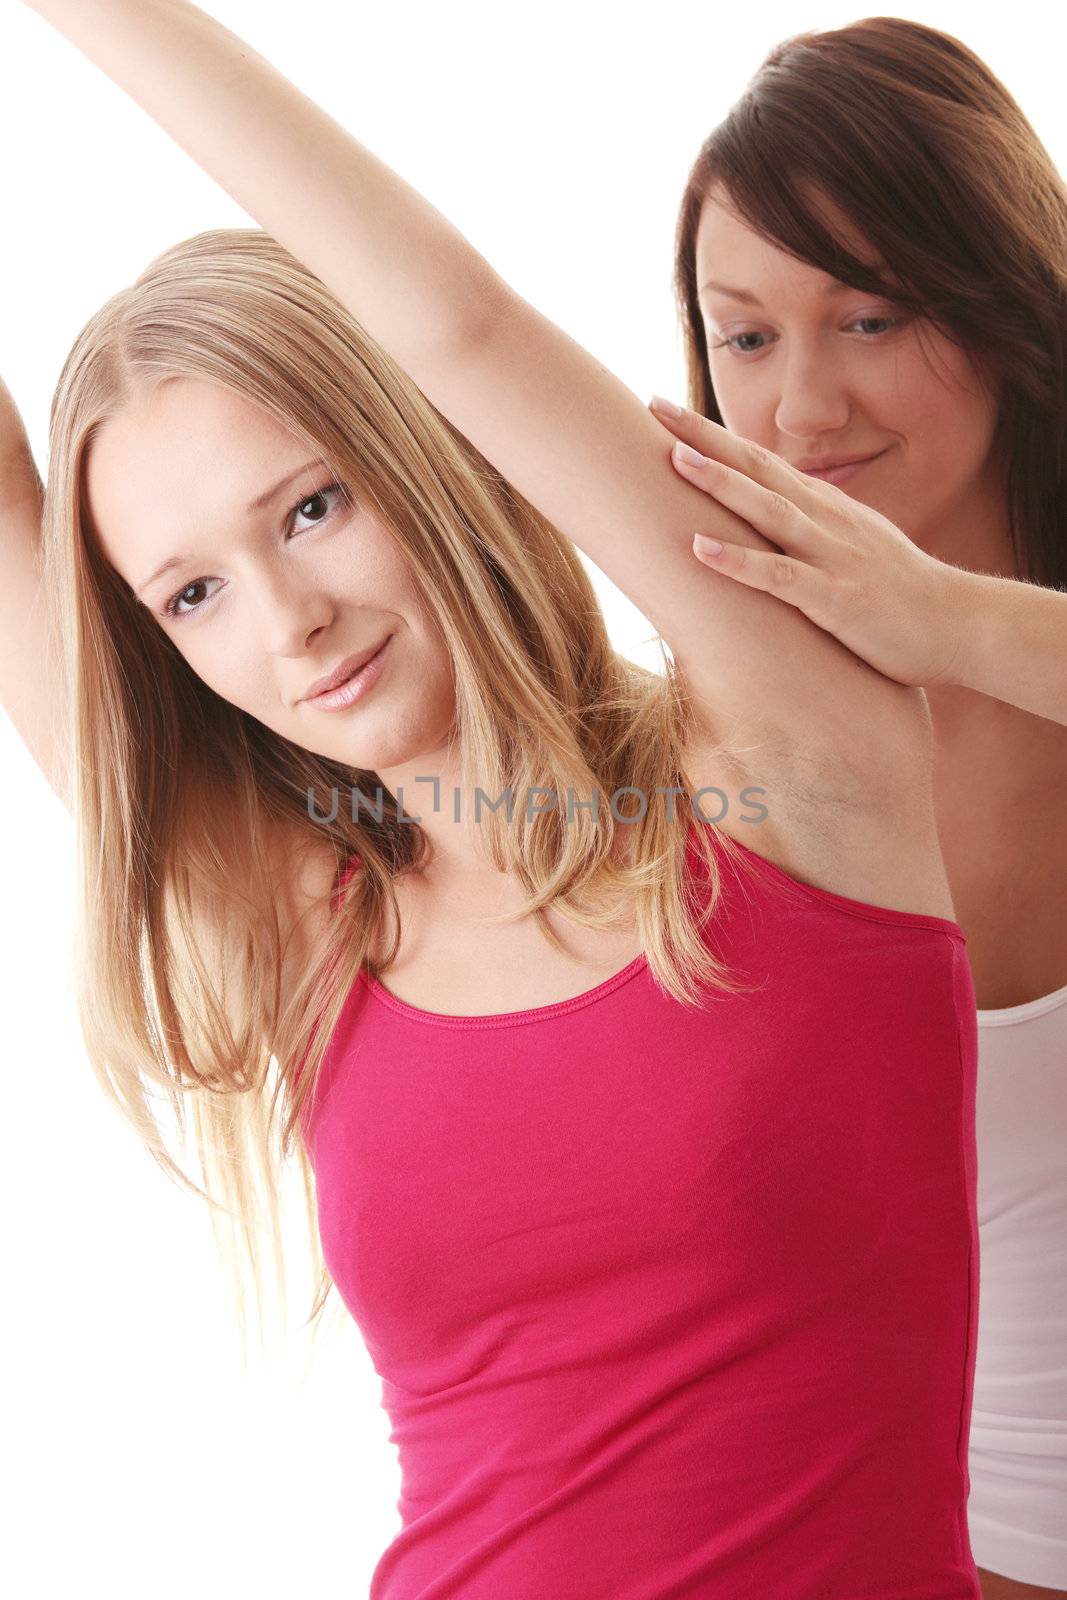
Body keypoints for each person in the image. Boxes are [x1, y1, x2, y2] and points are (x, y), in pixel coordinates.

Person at [6, 2, 982, 1595]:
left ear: (425, 457)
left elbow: (457, 324)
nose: (286, 620)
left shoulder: (792, 774)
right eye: (192, 596)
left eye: (311, 507)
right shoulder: (309, 933)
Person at [665, 18, 1067, 1598]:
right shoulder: (709, 726)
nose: (801, 413)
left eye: (871, 315)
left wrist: (958, 623)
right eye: (744, 338)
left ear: (1009, 303)